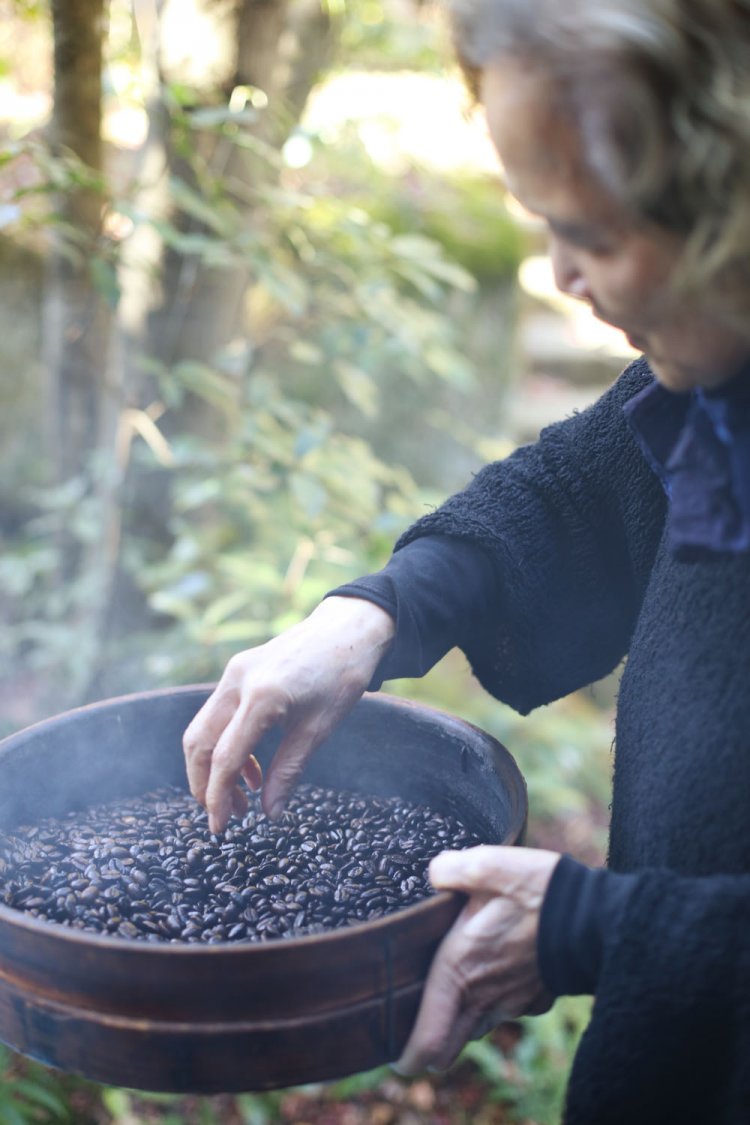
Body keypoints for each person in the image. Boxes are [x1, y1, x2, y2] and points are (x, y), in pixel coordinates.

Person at [182, 0, 750, 1120]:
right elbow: (594, 483)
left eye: (589, 235)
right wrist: (378, 611)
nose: (557, 277)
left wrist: (605, 929)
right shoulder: (716, 378)